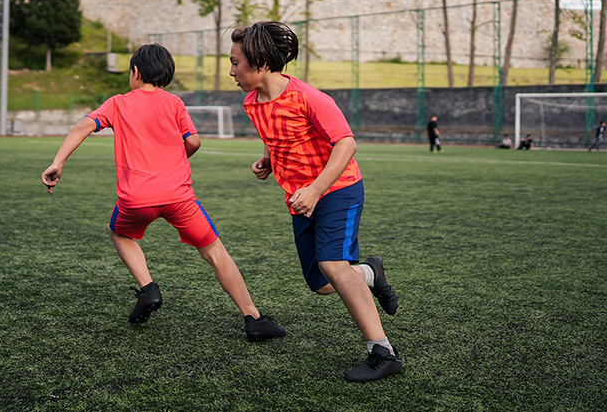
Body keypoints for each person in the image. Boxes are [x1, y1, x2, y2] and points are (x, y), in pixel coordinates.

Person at [41, 43, 285, 342]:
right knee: (215, 252)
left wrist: (58, 163)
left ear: (135, 72)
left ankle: (148, 289)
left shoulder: (118, 103)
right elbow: (193, 142)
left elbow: (84, 126)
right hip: (179, 197)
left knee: (120, 233)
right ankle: (253, 318)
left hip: (136, 199)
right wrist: (173, 159)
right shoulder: (174, 103)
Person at [229, 21, 402, 383]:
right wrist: (268, 160)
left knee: (333, 265)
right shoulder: (251, 102)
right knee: (321, 282)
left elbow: (346, 143)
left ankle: (383, 351)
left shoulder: (310, 97)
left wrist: (317, 189)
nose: (231, 71)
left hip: (338, 189)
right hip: (300, 199)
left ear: (261, 63)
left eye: (235, 63)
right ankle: (370, 273)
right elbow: (277, 136)